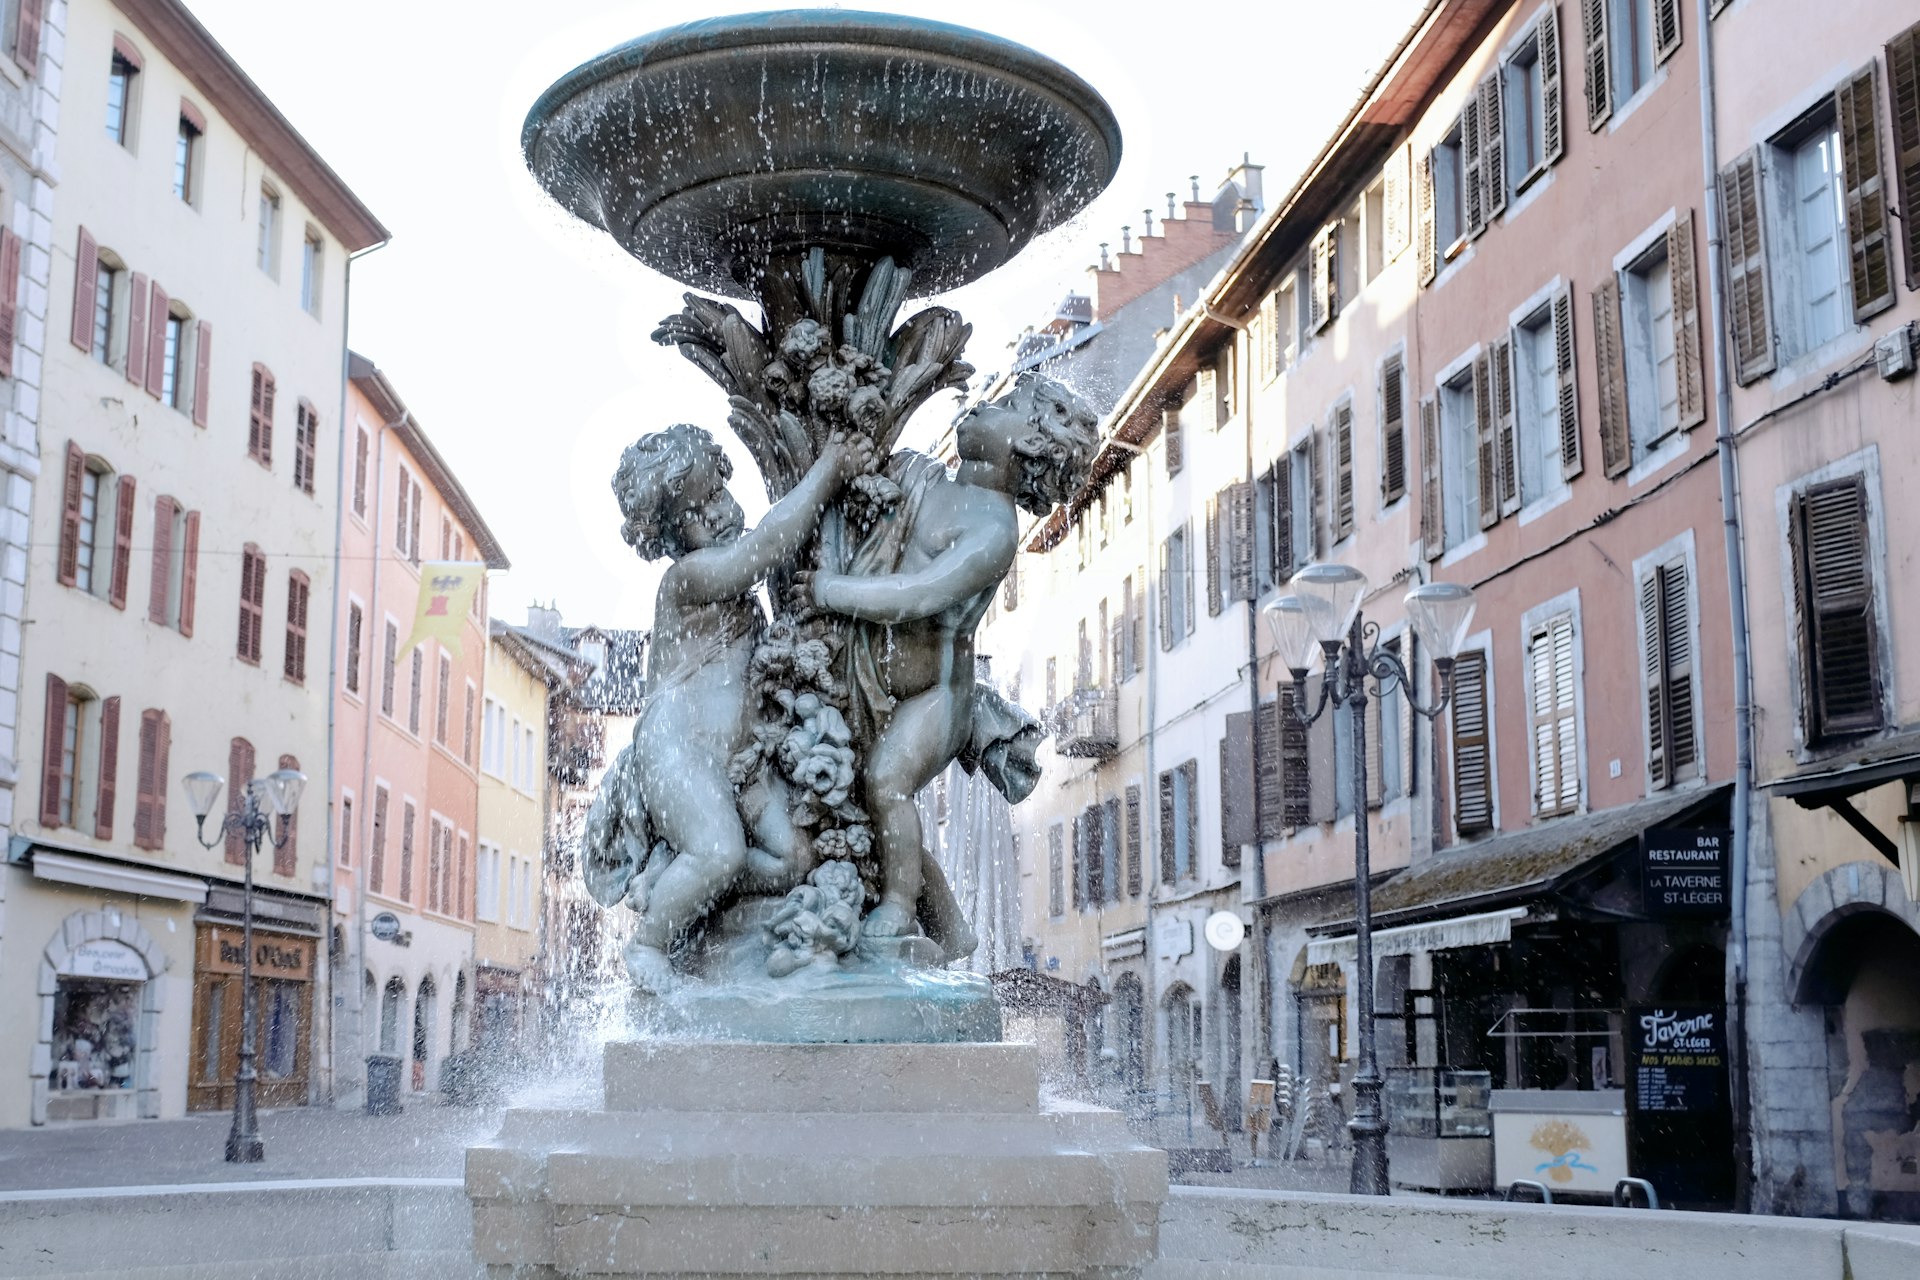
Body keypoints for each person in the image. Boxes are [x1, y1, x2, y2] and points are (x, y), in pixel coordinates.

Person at [808, 375, 1098, 937]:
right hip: (869, 677)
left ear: (1030, 445)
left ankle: (896, 906)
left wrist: (827, 590)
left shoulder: (992, 530)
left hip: (937, 696)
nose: (986, 403)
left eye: (1009, 405)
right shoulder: (921, 474)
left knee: (885, 783)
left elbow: (915, 597)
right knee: (868, 802)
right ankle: (951, 928)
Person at [609, 422, 873, 992]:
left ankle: (676, 875)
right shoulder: (688, 579)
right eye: (696, 512)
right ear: (667, 535)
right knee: (721, 851)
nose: (719, 514)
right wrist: (827, 470)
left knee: (792, 859)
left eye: (719, 495)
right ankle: (649, 943)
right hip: (678, 745)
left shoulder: (728, 582)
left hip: (740, 758)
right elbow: (764, 548)